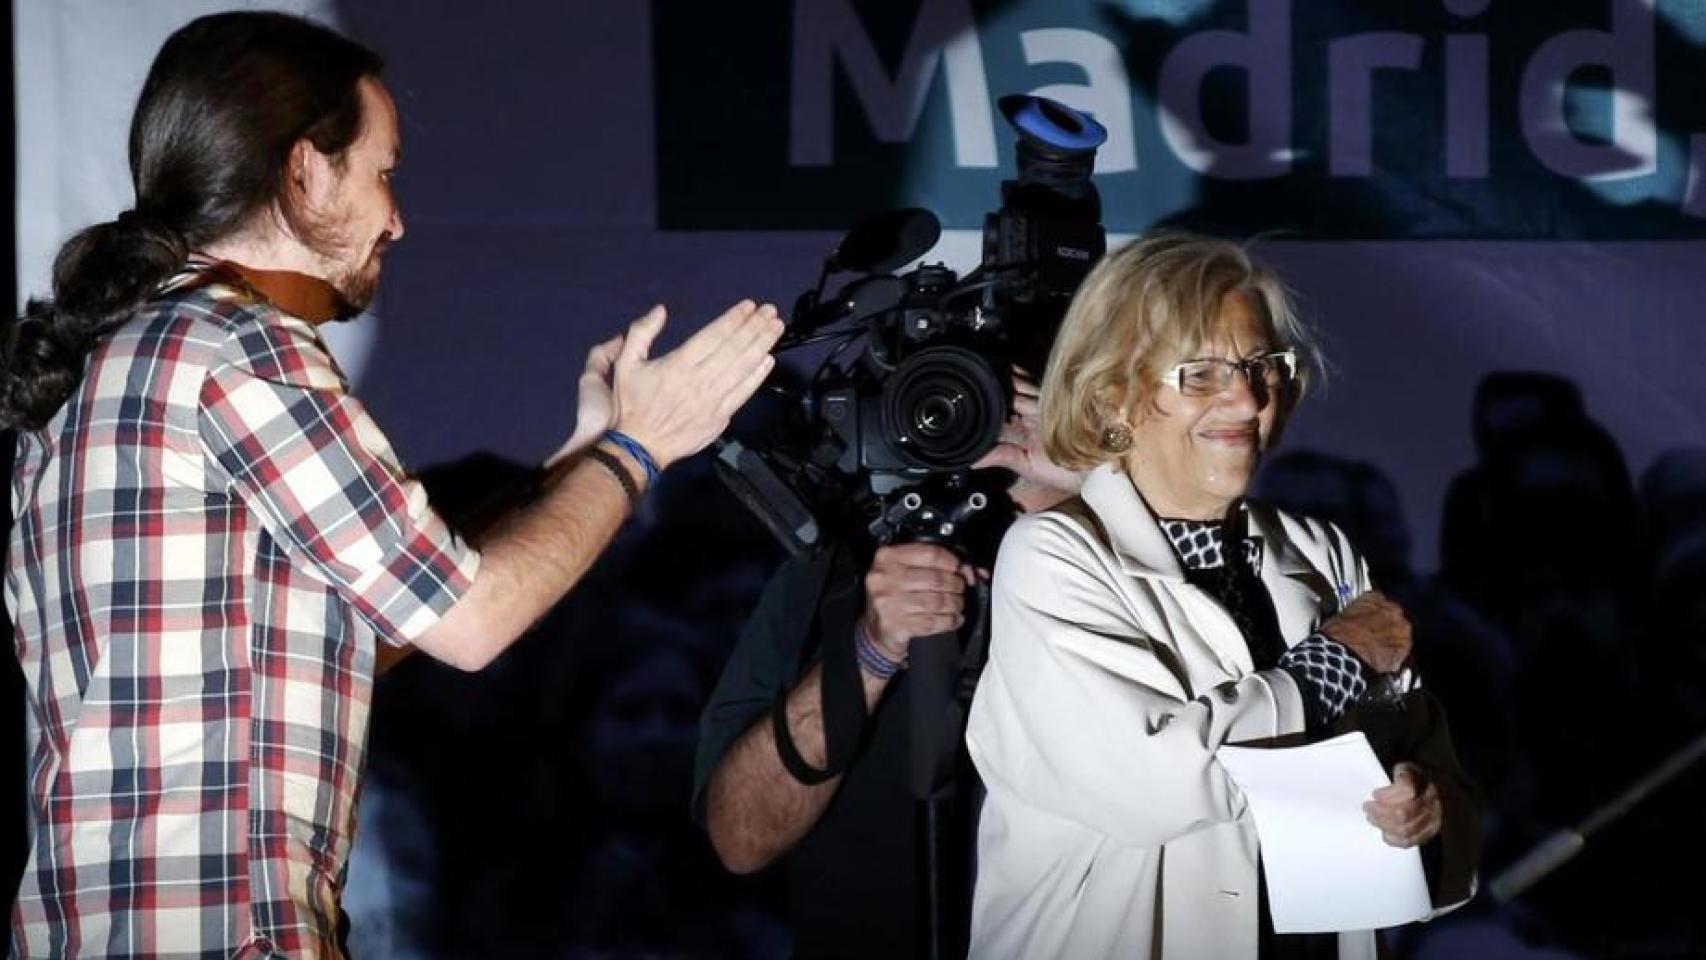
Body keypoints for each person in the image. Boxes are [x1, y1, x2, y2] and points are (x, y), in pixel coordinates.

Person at [0, 12, 780, 958]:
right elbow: (472, 620)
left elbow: (364, 625)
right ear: (304, 170)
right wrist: (641, 446)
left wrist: (579, 460)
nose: (398, 218)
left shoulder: (103, 365)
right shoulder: (247, 353)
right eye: (383, 173)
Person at [965, 234, 1479, 959]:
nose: (1246, 398)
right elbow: (1152, 785)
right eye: (1200, 374)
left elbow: (1422, 757)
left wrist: (1422, 807)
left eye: (1261, 366)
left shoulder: (1321, 551)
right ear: (1113, 396)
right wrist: (1336, 662)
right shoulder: (1053, 558)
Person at [692, 372, 1082, 958]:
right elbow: (741, 837)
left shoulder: (1130, 547)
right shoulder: (835, 569)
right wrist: (871, 650)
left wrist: (1094, 487)